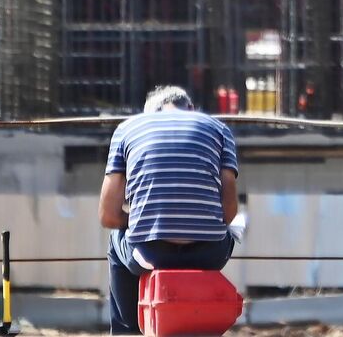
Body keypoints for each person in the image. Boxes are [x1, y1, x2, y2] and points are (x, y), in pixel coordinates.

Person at [98, 85, 242, 335]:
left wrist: (144, 219)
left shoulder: (128, 129)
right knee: (230, 231)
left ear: (150, 113)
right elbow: (229, 211)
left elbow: (108, 215)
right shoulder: (219, 129)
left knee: (115, 241)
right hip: (210, 253)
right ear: (191, 109)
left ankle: (128, 331)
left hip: (151, 254)